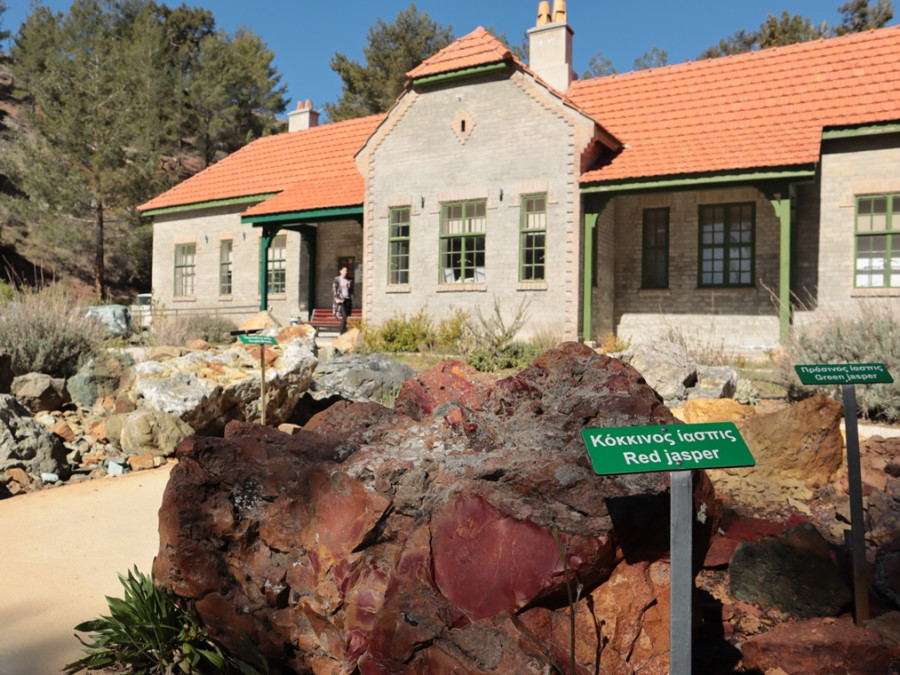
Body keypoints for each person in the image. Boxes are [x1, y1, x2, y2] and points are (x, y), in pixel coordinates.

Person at [332, 266, 352, 334]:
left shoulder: (348, 280)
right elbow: (334, 290)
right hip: (341, 300)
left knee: (347, 316)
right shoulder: (337, 280)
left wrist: (349, 285)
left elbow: (351, 291)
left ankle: (344, 331)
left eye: (346, 271)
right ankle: (341, 333)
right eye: (344, 270)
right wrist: (336, 299)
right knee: (344, 315)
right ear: (340, 271)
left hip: (347, 300)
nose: (345, 272)